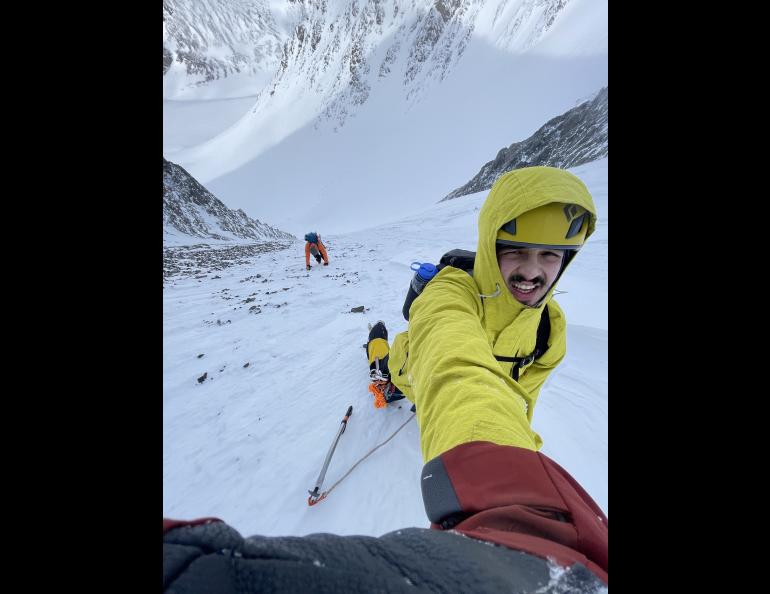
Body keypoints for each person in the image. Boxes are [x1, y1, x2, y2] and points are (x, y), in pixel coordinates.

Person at [163, 167, 607, 592]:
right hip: (414, 368)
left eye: (550, 255)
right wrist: (506, 486)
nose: (532, 270)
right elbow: (454, 365)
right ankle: (376, 340)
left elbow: (519, 400)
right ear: (491, 248)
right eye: (516, 251)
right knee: (383, 376)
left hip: (449, 401)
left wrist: (516, 450)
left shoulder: (550, 329)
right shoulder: (449, 293)